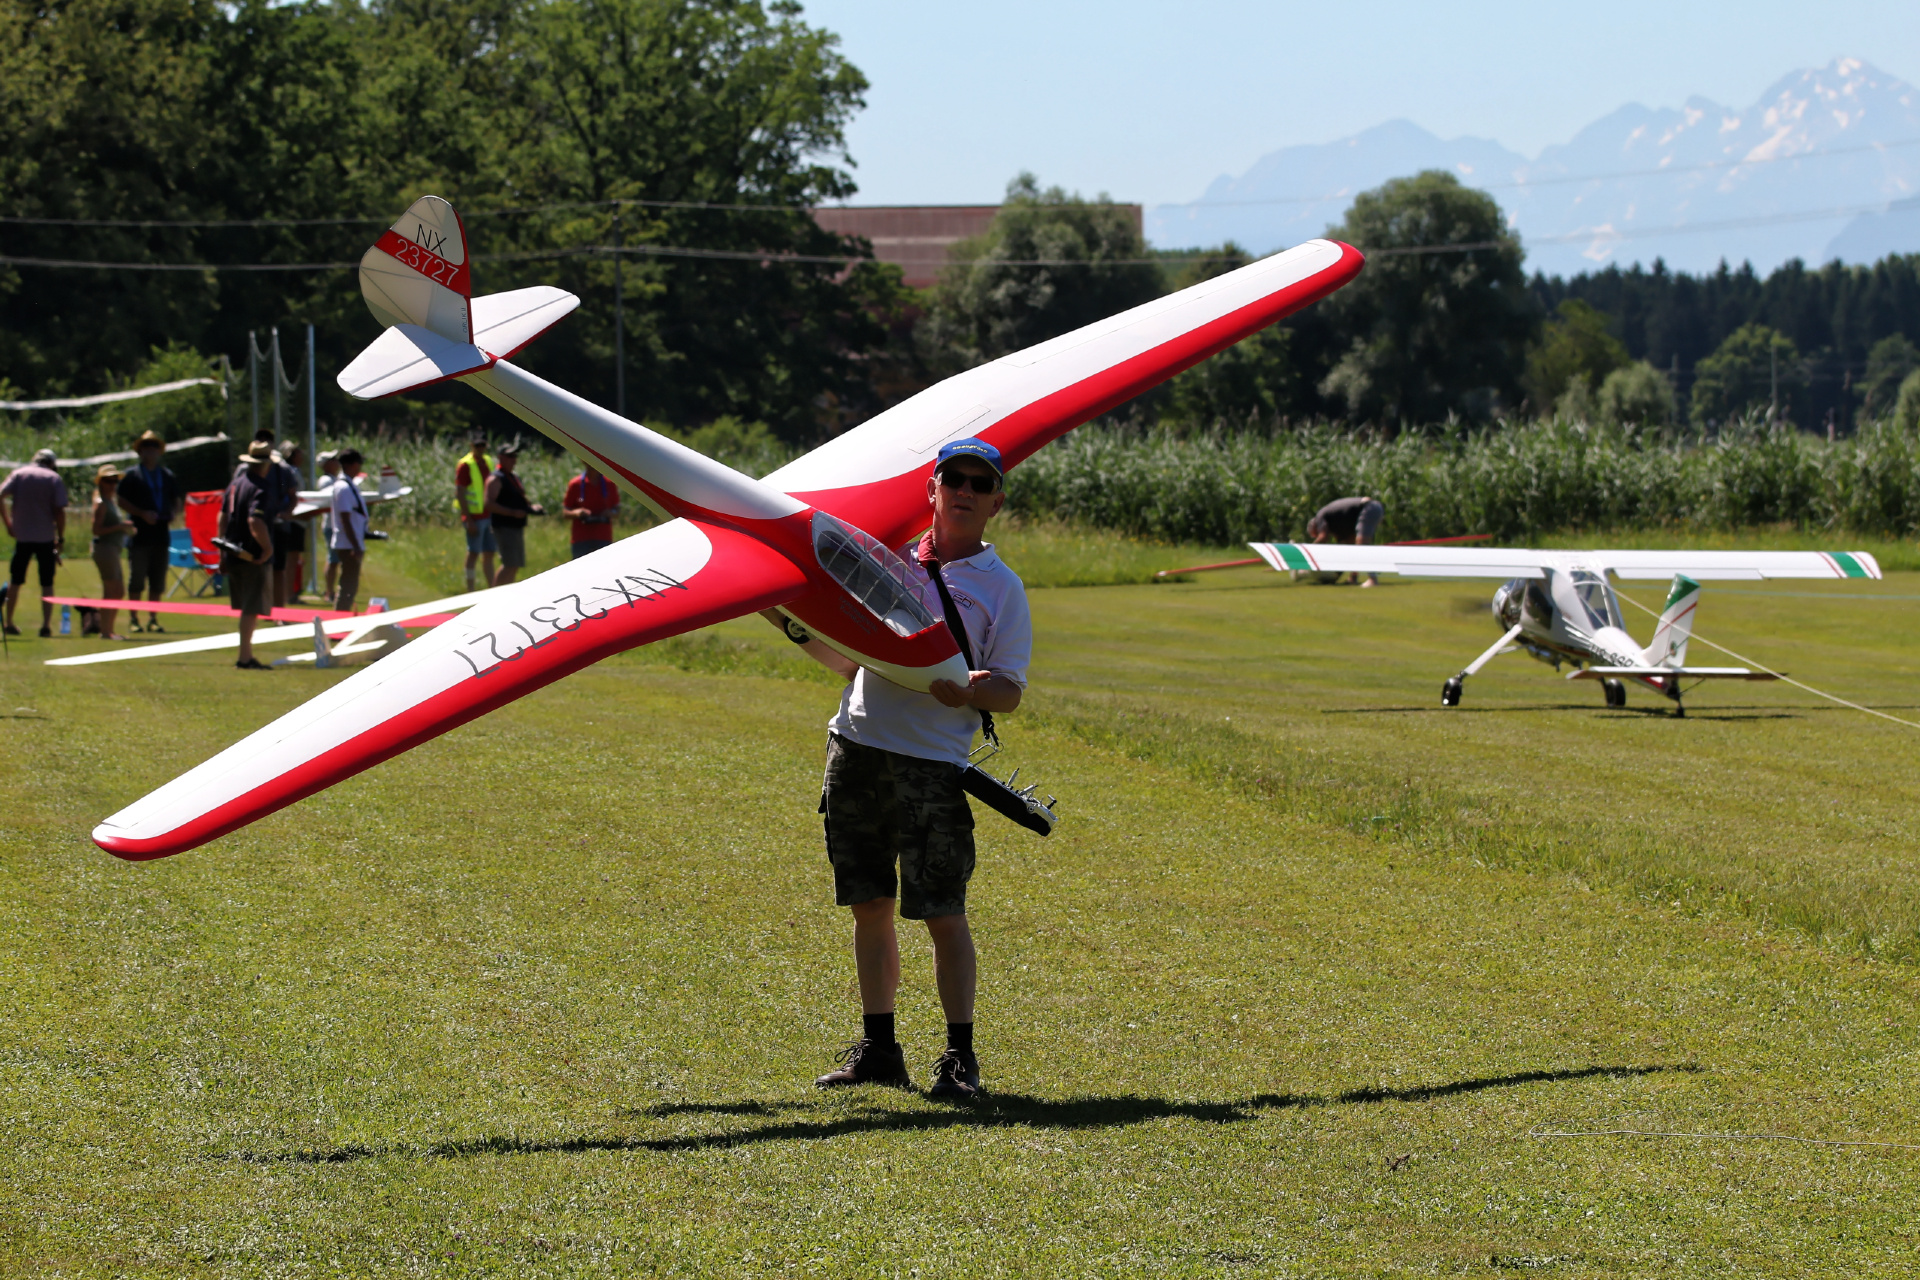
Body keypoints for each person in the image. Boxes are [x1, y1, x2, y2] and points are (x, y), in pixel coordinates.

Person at [769, 437, 1030, 1101]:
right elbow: (850, 661)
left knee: (943, 912)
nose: (965, 491)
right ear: (932, 491)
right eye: (953, 479)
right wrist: (784, 615)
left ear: (996, 502)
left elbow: (1009, 691)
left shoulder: (1002, 588)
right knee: (869, 905)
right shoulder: (885, 559)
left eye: (980, 483)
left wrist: (971, 692)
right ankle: (880, 1050)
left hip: (932, 765)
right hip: (855, 745)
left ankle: (960, 1060)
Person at [1, 448, 69, 637]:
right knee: (47, 582)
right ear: (52, 463)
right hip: (45, 537)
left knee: (15, 581)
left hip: (22, 536)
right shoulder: (53, 478)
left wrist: (8, 524)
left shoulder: (18, 474)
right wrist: (60, 537)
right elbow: (60, 511)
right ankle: (46, 625)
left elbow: (1, 495)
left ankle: (9, 622)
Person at [117, 429, 179, 633]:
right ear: (140, 451)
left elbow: (176, 499)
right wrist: (141, 513)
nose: (150, 450)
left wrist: (173, 513)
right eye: (146, 447)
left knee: (157, 580)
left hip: (161, 535)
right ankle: (134, 619)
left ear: (159, 451)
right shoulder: (132, 475)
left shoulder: (167, 475)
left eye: (154, 447)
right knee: (137, 579)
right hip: (140, 535)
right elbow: (121, 500)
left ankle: (153, 618)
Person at [222, 440, 277, 669]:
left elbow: (222, 517)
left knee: (247, 607)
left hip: (233, 551)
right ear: (266, 464)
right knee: (252, 608)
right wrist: (267, 548)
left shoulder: (235, 484)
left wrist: (222, 551)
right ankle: (245, 657)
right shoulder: (261, 487)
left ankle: (246, 654)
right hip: (252, 555)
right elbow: (255, 520)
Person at [484, 439, 544, 585]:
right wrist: (512, 513)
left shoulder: (514, 477)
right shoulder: (496, 478)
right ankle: (495, 593)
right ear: (500, 457)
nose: (513, 460)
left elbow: (519, 498)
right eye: (510, 456)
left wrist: (531, 507)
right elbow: (489, 504)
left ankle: (506, 591)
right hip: (504, 526)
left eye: (515, 456)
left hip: (516, 526)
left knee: (514, 564)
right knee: (509, 563)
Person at [90, 465, 134, 640]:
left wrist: (125, 529)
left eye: (115, 481)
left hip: (113, 549)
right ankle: (105, 631)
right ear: (101, 482)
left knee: (118, 591)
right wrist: (120, 526)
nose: (113, 484)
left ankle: (109, 629)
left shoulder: (111, 501)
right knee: (111, 591)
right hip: (105, 549)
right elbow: (96, 530)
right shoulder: (101, 503)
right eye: (109, 481)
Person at [1307, 495, 1385, 587]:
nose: (1317, 535)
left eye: (1316, 534)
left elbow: (1323, 537)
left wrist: (1309, 551)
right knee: (1355, 549)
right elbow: (1345, 545)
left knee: (1362, 544)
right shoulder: (1336, 524)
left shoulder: (1320, 517)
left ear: (1314, 526)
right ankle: (1353, 578)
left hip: (1369, 507)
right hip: (1373, 508)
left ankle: (1373, 580)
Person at [329, 449, 370, 614]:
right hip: (348, 544)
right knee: (348, 584)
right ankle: (340, 617)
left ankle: (342, 615)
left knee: (350, 585)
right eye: (358, 463)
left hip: (351, 542)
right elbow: (345, 519)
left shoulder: (349, 485)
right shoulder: (343, 488)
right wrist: (355, 546)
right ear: (351, 465)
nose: (359, 467)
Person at [455, 432, 496, 591]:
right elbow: (460, 492)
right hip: (474, 517)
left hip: (489, 514)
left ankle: (492, 588)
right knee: (473, 553)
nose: (480, 448)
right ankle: (470, 589)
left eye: (483, 445)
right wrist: (468, 518)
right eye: (477, 445)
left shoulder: (488, 461)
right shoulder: (466, 464)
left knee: (489, 553)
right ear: (471, 446)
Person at [563, 464, 619, 559]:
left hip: (603, 537)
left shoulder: (609, 484)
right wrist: (577, 513)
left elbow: (617, 510)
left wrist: (610, 513)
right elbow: (565, 512)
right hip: (581, 539)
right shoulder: (575, 484)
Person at [314, 450, 343, 604]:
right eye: (333, 459)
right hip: (331, 525)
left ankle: (332, 591)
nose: (337, 462)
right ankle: (329, 592)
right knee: (333, 559)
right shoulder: (326, 480)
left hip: (335, 524)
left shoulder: (334, 479)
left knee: (336, 559)